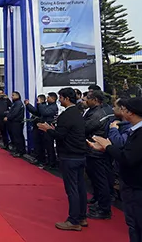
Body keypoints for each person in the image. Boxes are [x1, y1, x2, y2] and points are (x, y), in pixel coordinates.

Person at [89, 97, 142, 242]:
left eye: (123, 109)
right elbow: (127, 154)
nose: (118, 111)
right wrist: (106, 149)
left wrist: (108, 146)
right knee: (135, 227)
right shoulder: (137, 130)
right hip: (135, 189)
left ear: (130, 112)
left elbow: (128, 157)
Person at [38, 88, 88, 231]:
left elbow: (60, 135)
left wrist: (48, 130)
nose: (59, 100)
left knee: (72, 189)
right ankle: (82, 216)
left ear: (66, 98)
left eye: (60, 97)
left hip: (69, 155)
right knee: (80, 187)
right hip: (79, 154)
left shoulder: (67, 115)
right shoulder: (77, 113)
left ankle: (73, 220)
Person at [83, 90, 113, 219]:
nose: (85, 101)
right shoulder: (94, 111)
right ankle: (98, 200)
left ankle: (104, 208)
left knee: (101, 180)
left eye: (87, 99)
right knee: (96, 179)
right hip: (93, 150)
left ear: (95, 100)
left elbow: (85, 127)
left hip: (97, 151)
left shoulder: (98, 113)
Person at [5, 91, 25, 157]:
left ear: (17, 96)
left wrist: (8, 117)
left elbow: (14, 113)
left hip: (17, 122)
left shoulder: (18, 103)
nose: (11, 97)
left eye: (13, 95)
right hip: (13, 122)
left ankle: (20, 151)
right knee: (15, 136)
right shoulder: (15, 103)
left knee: (18, 137)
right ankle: (17, 150)